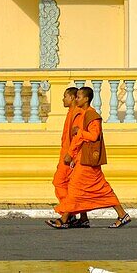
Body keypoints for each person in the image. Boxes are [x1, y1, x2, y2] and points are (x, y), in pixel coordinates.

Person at [46, 85, 130, 230]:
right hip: (82, 159)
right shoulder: (85, 114)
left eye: (78, 97)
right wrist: (72, 153)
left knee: (75, 188)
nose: (76, 99)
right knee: (101, 189)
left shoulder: (91, 115)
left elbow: (93, 136)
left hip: (88, 160)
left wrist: (80, 133)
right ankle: (122, 215)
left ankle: (64, 218)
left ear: (86, 99)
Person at [52, 86, 88, 228]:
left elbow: (77, 138)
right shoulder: (71, 113)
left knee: (59, 182)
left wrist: (71, 155)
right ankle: (82, 216)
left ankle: (68, 214)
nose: (63, 99)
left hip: (69, 156)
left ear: (72, 98)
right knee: (74, 187)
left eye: (65, 96)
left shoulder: (77, 114)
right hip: (66, 154)